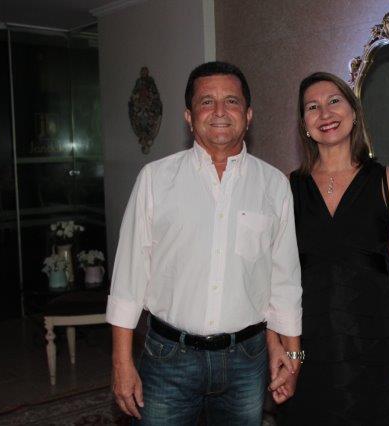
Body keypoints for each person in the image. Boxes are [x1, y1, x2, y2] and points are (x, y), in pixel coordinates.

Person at [106, 61, 303, 425]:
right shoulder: (155, 179)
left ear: (248, 115)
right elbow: (128, 279)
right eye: (206, 101)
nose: (219, 111)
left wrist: (292, 355)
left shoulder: (274, 185)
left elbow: (285, 279)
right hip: (168, 358)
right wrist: (121, 363)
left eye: (231, 101)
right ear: (189, 116)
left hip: (247, 360)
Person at [273, 72, 389, 425]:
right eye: (312, 107)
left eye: (334, 101)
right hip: (310, 335)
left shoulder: (386, 179)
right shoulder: (289, 186)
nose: (325, 113)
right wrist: (279, 342)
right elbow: (277, 273)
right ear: (304, 125)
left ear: (354, 112)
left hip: (375, 333)